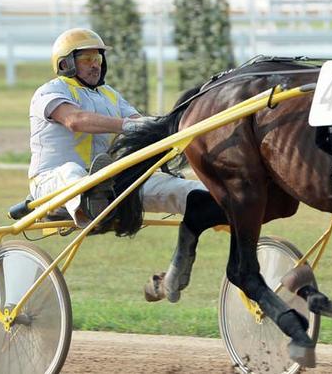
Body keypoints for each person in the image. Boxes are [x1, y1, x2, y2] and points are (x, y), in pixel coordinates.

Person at [28, 27, 224, 302]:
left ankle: (220, 207)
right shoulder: (50, 92)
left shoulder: (110, 95)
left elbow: (140, 125)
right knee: (73, 172)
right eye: (86, 59)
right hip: (51, 186)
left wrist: (168, 129)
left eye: (97, 57)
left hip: (109, 185)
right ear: (65, 64)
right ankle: (90, 210)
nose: (95, 63)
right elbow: (76, 120)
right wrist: (126, 125)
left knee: (188, 190)